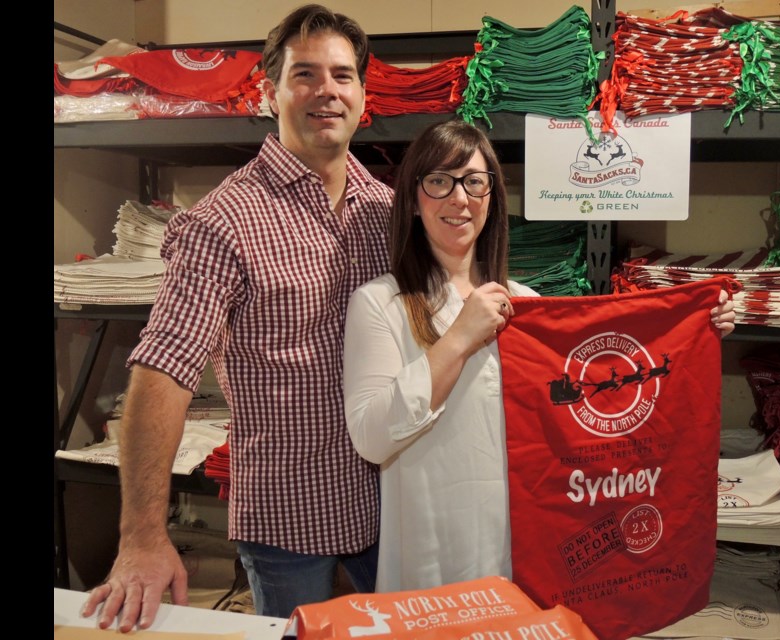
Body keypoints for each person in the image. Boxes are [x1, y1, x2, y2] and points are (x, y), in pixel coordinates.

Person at [81, 4, 393, 631]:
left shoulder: (386, 210)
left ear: (362, 93)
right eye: (304, 74)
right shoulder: (220, 223)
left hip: (391, 503)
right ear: (268, 90)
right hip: (287, 514)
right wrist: (143, 537)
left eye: (342, 75)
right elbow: (165, 367)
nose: (326, 91)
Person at [342, 119, 738, 593]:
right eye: (438, 181)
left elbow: (604, 382)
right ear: (412, 198)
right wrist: (459, 338)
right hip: (432, 550)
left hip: (527, 548)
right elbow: (371, 438)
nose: (459, 198)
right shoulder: (380, 303)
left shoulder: (525, 304)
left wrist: (695, 329)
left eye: (474, 181)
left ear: (492, 197)